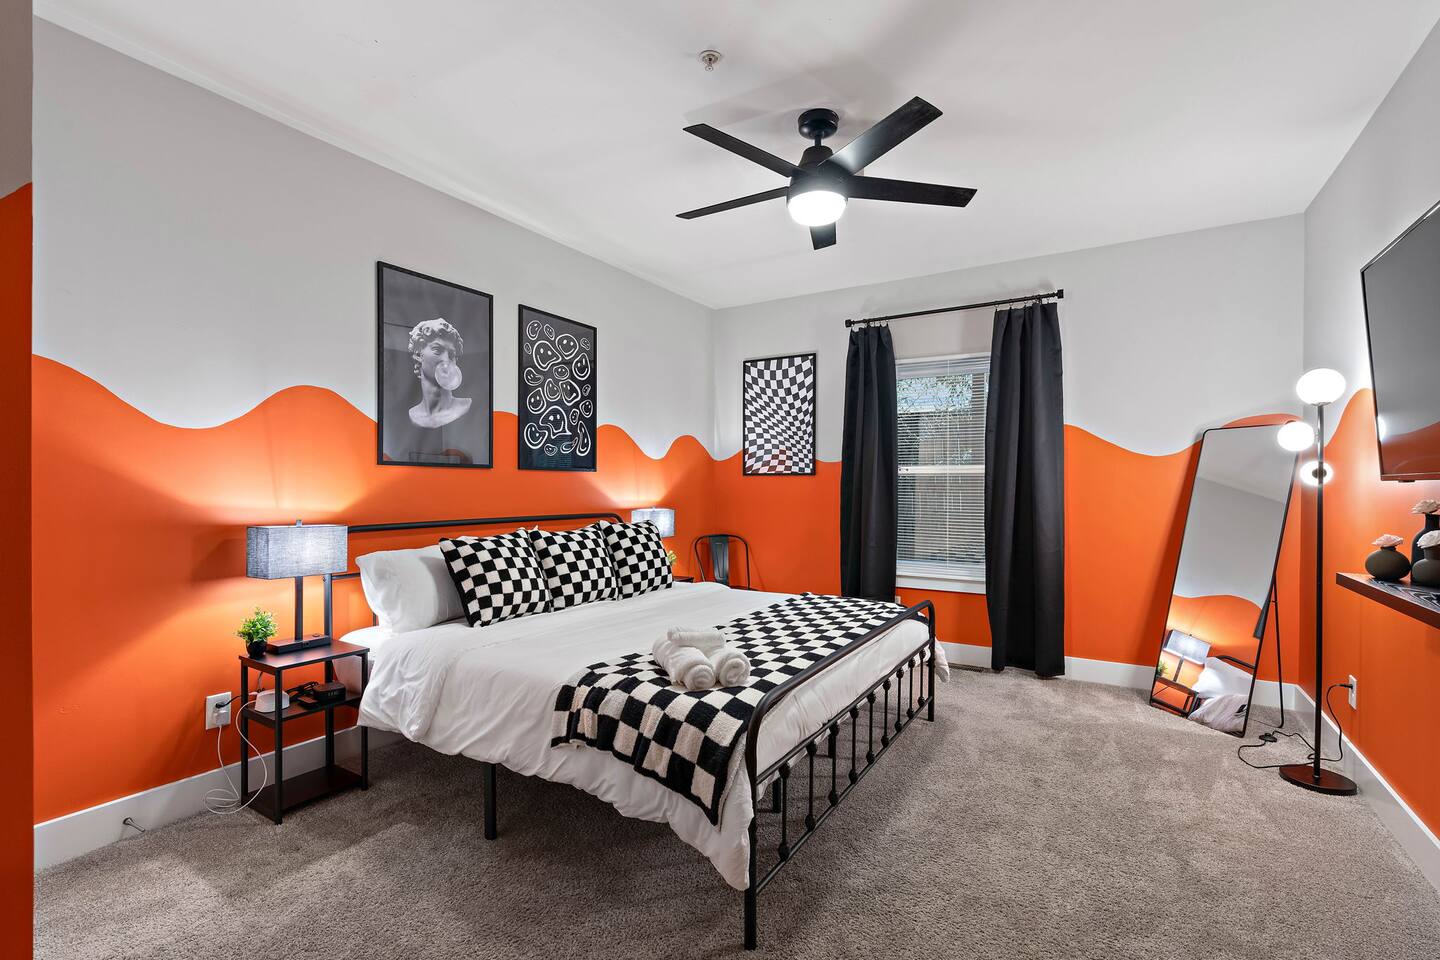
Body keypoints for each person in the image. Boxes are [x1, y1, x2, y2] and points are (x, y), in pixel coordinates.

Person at [406, 318, 471, 428]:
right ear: (418, 354)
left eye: (451, 355)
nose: (446, 360)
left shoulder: (469, 407)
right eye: (437, 350)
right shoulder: (409, 416)